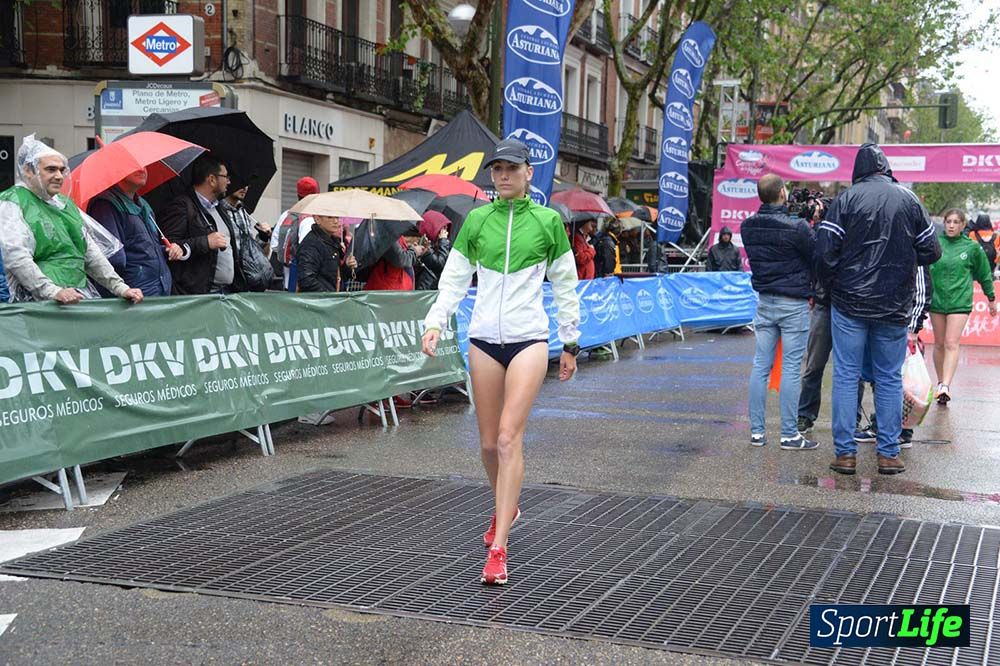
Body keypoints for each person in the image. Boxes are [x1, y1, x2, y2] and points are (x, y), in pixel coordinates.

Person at [421, 138, 580, 586]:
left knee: (510, 439)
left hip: (529, 340)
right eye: (497, 169)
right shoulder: (476, 220)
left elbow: (565, 284)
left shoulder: (548, 221)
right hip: (484, 341)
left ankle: (499, 548)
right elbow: (454, 279)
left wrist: (570, 341)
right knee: (489, 445)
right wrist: (435, 323)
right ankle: (505, 505)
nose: (504, 175)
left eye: (512, 168)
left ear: (529, 172)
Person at [816, 143, 941, 476]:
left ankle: (845, 454)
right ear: (886, 168)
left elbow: (824, 253)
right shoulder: (909, 200)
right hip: (894, 303)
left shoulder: (845, 200)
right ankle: (888, 453)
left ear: (857, 170)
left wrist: (834, 284)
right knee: (888, 377)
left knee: (847, 375)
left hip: (849, 301)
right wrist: (902, 258)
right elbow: (932, 250)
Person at [0, 135, 144, 305]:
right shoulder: (13, 202)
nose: (59, 176)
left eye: (62, 170)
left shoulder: (64, 204)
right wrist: (53, 291)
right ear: (28, 170)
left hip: (74, 295)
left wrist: (120, 287)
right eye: (51, 169)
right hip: (37, 303)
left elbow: (89, 251)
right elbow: (16, 257)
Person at [740, 174, 817, 451]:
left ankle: (757, 432)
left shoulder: (748, 226)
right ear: (783, 193)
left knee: (761, 366)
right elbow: (816, 254)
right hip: (793, 303)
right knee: (791, 369)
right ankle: (789, 434)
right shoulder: (797, 227)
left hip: (765, 301)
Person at [928, 208, 997, 404]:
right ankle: (940, 382)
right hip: (936, 300)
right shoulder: (935, 244)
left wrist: (991, 298)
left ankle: (946, 385)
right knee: (939, 343)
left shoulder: (972, 248)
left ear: (963, 225)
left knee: (951, 342)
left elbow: (984, 274)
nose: (951, 225)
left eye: (956, 222)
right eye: (948, 221)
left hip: (960, 301)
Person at [87, 168, 182, 297]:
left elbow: (144, 248)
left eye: (143, 165)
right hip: (132, 295)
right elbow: (113, 258)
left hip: (158, 290)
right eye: (134, 166)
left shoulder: (144, 205)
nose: (142, 169)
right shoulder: (104, 205)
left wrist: (167, 250)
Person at [158, 155, 245, 295]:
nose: (229, 181)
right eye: (225, 176)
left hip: (225, 292)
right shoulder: (182, 206)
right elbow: (169, 246)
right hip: (197, 294)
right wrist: (206, 242)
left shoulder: (219, 207)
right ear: (212, 179)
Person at [222, 183, 274, 292]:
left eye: (247, 184)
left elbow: (250, 252)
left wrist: (263, 237)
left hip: (245, 281)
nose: (244, 187)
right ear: (229, 182)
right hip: (227, 280)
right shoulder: (218, 210)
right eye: (240, 183)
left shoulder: (243, 211)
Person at [274, 176, 319, 291]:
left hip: (287, 280)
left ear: (298, 195)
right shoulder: (311, 220)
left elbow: (274, 246)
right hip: (302, 284)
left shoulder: (286, 215)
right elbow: (309, 253)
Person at [296, 213, 357, 294]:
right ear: (317, 219)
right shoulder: (311, 244)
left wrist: (347, 266)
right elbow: (306, 280)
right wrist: (328, 296)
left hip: (330, 298)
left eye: (337, 217)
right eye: (330, 217)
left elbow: (332, 275)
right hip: (320, 300)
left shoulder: (331, 241)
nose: (336, 221)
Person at [414, 210, 452, 290]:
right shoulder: (424, 245)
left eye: (445, 228)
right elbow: (440, 264)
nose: (445, 232)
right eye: (442, 228)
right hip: (426, 291)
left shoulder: (438, 244)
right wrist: (443, 241)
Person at [572, 215, 597, 279]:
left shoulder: (583, 237)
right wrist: (591, 250)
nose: (592, 224)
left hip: (586, 276)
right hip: (583, 277)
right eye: (590, 222)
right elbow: (581, 258)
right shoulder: (577, 238)